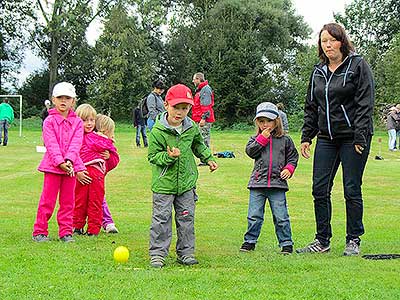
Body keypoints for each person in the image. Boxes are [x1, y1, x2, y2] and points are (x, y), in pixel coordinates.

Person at [297, 23, 375, 256]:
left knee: (351, 188)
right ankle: (322, 240)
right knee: (319, 189)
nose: (328, 45)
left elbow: (365, 103)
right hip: (326, 138)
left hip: (353, 138)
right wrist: (306, 136)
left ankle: (353, 239)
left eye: (332, 40)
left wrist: (360, 136)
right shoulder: (318, 72)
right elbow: (311, 106)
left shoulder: (357, 66)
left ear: (342, 41)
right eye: (323, 41)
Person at [147, 83, 218, 268]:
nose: (180, 112)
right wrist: (168, 157)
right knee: (161, 219)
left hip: (186, 183)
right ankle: (158, 254)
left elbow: (198, 145)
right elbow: (153, 156)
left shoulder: (191, 127)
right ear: (166, 105)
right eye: (176, 107)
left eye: (184, 108)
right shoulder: (157, 131)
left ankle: (186, 252)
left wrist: (208, 158)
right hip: (164, 184)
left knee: (186, 218)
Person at [239, 102, 298, 255]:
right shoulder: (254, 139)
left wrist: (289, 169)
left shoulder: (285, 140)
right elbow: (251, 152)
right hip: (257, 184)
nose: (265, 124)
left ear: (276, 121)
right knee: (254, 216)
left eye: (269, 121)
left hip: (278, 184)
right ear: (257, 122)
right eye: (262, 121)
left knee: (281, 217)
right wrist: (262, 139)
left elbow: (293, 157)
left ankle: (286, 243)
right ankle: (249, 241)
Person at [32, 82, 84, 243]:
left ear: (73, 101)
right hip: (52, 167)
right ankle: (40, 231)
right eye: (60, 97)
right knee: (47, 201)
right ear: (53, 100)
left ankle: (66, 232)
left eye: (67, 98)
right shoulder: (49, 121)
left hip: (70, 167)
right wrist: (60, 162)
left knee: (68, 202)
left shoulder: (78, 123)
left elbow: (76, 144)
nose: (63, 101)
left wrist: (69, 161)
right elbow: (51, 143)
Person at [73, 105, 119, 236]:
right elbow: (72, 154)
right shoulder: (76, 137)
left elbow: (113, 156)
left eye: (91, 120)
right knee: (79, 201)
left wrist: (109, 156)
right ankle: (77, 226)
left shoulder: (96, 137)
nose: (88, 123)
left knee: (95, 202)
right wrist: (77, 171)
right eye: (84, 120)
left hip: (95, 174)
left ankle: (93, 229)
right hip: (81, 173)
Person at [96, 114, 120, 234]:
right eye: (111, 132)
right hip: (82, 177)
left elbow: (114, 161)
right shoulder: (88, 140)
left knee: (100, 199)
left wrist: (109, 157)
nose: (113, 134)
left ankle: (107, 222)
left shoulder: (108, 146)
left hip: (98, 179)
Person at [192, 72, 215, 148]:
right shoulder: (201, 89)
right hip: (199, 118)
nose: (193, 81)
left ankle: (206, 159)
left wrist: (203, 118)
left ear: (198, 79)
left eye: (194, 79)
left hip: (203, 119)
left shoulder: (205, 89)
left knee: (204, 140)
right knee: (200, 140)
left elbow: (206, 106)